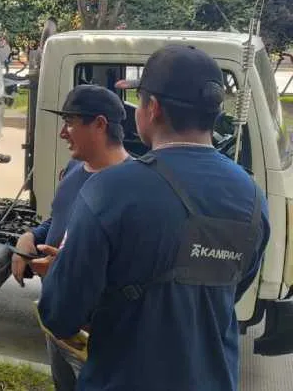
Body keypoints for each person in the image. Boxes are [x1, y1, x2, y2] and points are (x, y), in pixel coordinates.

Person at [38, 44, 271, 391]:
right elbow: (230, 290)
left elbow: (60, 314)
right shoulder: (253, 197)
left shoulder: (109, 190)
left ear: (153, 109)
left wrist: (58, 270)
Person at [10, 84, 130, 391]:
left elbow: (133, 269)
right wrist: (31, 236)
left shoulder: (134, 188)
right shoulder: (75, 168)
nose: (63, 133)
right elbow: (60, 219)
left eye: (71, 123)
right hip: (59, 326)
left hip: (100, 337)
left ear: (100, 124)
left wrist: (68, 272)